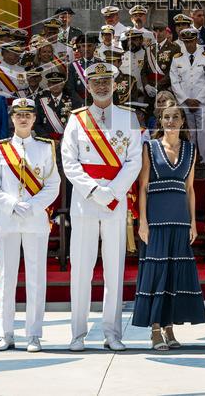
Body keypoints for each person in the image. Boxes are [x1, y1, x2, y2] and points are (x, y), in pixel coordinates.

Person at [61, 62, 142, 352]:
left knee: (114, 269)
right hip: (85, 201)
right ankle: (77, 334)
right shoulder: (76, 119)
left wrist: (113, 192)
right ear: (88, 86)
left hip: (115, 201)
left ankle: (112, 333)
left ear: (114, 83)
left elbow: (134, 160)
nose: (101, 86)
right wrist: (95, 191)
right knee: (81, 269)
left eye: (106, 80)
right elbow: (69, 161)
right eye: (96, 81)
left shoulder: (128, 117)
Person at [0, 98, 60, 352]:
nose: (23, 119)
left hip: (35, 220)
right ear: (12, 118)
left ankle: (33, 334)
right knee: (6, 278)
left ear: (35, 118)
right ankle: (5, 333)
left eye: (28, 114)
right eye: (19, 115)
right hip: (6, 220)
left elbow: (53, 184)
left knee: (36, 278)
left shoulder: (45, 148)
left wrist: (34, 205)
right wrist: (12, 204)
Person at [133, 101, 205, 349]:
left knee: (174, 274)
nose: (171, 121)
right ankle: (155, 329)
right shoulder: (150, 147)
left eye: (175, 117)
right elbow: (143, 186)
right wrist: (143, 222)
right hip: (156, 220)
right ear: (160, 121)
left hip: (180, 220)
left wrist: (193, 223)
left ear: (183, 121)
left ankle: (170, 328)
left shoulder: (190, 149)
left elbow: (190, 189)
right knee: (156, 274)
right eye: (166, 117)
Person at [169, 27, 205, 173]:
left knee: (204, 136)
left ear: (196, 39)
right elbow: (174, 81)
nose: (189, 44)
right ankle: (189, 168)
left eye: (191, 41)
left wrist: (198, 100)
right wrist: (186, 100)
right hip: (185, 103)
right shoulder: (177, 58)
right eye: (186, 41)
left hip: (202, 103)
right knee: (188, 135)